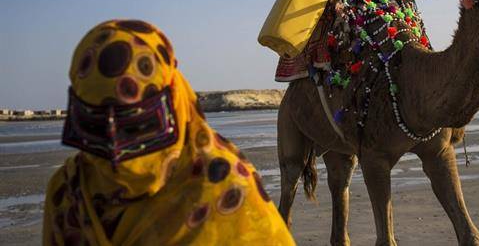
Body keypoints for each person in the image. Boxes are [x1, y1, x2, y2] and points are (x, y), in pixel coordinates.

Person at [43, 20, 295, 246]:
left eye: (137, 125)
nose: (118, 156)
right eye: (95, 126)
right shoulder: (68, 191)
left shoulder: (224, 185)